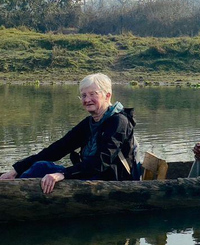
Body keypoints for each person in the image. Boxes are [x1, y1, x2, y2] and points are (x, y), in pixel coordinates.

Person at [0, 73, 137, 194]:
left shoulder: (119, 122)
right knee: (41, 166)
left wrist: (64, 174)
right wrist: (17, 170)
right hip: (90, 175)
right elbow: (58, 149)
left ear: (107, 95)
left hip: (111, 180)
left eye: (92, 94)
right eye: (83, 95)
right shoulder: (90, 123)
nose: (87, 100)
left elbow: (101, 162)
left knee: (44, 169)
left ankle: (10, 193)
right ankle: (11, 186)